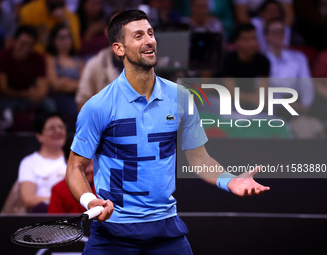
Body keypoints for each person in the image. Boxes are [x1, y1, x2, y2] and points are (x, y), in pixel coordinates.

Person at [65, 10, 270, 254]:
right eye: (138, 36)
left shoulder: (181, 97)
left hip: (166, 230)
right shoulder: (97, 107)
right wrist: (90, 201)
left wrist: (230, 181)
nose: (149, 40)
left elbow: (199, 158)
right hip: (113, 232)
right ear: (119, 49)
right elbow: (75, 167)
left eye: (150, 33)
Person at [0, 25, 53, 118]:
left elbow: (42, 89)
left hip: (28, 97)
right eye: (23, 44)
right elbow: (2, 89)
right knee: (2, 105)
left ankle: (49, 128)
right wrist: (24, 94)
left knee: (48, 104)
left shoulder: (39, 59)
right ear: (14, 41)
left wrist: (34, 94)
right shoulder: (2, 56)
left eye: (30, 45)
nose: (26, 48)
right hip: (5, 97)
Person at [264, 19, 314, 117]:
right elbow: (261, 90)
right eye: (274, 32)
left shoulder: (298, 57)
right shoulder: (262, 59)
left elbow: (306, 84)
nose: (278, 35)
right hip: (270, 107)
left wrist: (305, 105)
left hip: (296, 106)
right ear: (266, 36)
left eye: (281, 32)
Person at [18, 112, 67, 213]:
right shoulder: (29, 162)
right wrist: (58, 199)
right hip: (42, 216)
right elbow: (28, 199)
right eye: (51, 128)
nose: (58, 131)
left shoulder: (74, 159)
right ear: (39, 136)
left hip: (71, 214)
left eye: (61, 127)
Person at [220, 23, 270, 110]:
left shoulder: (263, 61)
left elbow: (262, 90)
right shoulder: (227, 60)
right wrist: (251, 98)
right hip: (227, 104)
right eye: (246, 40)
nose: (251, 44)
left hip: (253, 107)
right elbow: (230, 92)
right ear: (236, 42)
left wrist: (258, 100)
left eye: (254, 38)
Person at [46, 24, 83, 122]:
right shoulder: (50, 59)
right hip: (57, 99)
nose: (66, 41)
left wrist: (64, 81)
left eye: (68, 37)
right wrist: (76, 84)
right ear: (53, 41)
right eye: (62, 37)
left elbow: (84, 86)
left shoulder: (79, 62)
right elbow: (55, 85)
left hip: (77, 98)